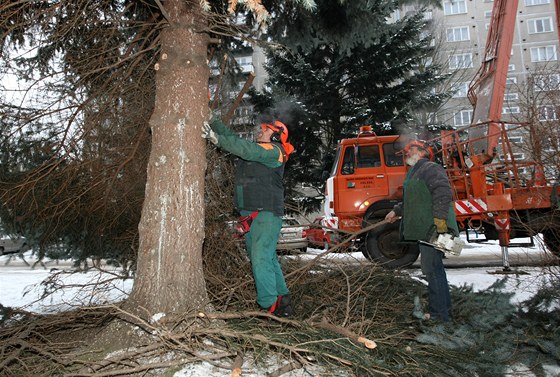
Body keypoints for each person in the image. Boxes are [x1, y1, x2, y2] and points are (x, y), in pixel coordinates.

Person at [202, 117, 295, 317]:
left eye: (264, 129)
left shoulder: (275, 151)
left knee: (260, 257)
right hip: (251, 213)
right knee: (267, 257)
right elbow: (234, 139)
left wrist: (216, 139)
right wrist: (213, 121)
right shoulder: (257, 150)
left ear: (276, 134)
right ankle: (282, 299)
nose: (259, 131)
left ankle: (268, 306)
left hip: (266, 213)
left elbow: (246, 149)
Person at [385, 140, 458, 322]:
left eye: (410, 150)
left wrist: (440, 221)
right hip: (425, 228)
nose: (407, 154)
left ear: (422, 151)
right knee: (435, 269)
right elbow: (413, 199)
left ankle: (439, 315)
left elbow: (443, 192)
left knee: (432, 270)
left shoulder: (430, 168)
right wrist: (397, 210)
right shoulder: (415, 171)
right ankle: (443, 310)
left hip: (432, 228)